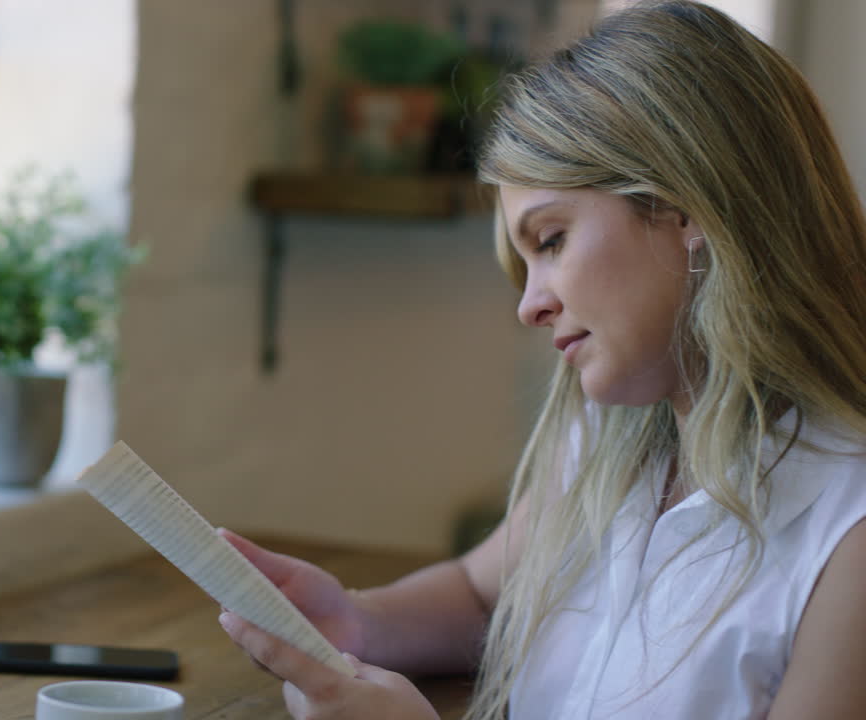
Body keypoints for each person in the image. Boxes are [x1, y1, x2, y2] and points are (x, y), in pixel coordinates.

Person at [216, 1, 866, 718]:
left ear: (688, 207)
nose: (530, 306)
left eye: (550, 240)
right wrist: (353, 620)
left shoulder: (849, 529)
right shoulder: (602, 445)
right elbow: (480, 593)